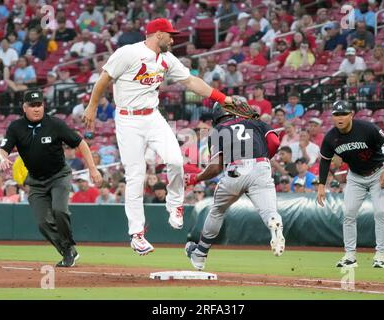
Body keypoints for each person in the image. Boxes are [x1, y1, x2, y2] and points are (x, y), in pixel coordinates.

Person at [83, 18, 234, 256]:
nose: (173, 39)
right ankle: (137, 234)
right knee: (135, 175)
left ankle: (175, 205)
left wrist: (222, 98)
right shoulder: (129, 53)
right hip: (127, 119)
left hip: (152, 116)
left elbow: (191, 81)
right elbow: (104, 79)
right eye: (170, 35)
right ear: (158, 34)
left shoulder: (166, 58)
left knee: (175, 160)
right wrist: (92, 107)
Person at [0, 89, 103, 267]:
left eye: (39, 105)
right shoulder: (15, 127)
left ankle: (68, 246)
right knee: (42, 223)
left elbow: (81, 143)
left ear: (43, 106)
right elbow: (3, 149)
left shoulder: (55, 124)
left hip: (59, 176)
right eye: (32, 105)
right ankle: (67, 251)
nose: (37, 108)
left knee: (59, 210)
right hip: (36, 182)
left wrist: (93, 170)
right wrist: (2, 158)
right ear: (24, 107)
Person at [184, 102, 285, 270]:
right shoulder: (256, 121)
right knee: (269, 211)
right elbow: (274, 142)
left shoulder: (218, 130)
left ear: (216, 117)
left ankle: (200, 253)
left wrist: (197, 178)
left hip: (235, 170)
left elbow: (216, 167)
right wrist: (262, 156)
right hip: (261, 167)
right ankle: (274, 222)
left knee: (217, 211)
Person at [316, 100, 384, 269]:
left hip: (377, 173)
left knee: (380, 212)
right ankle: (350, 256)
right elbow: (324, 161)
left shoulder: (367, 128)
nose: (340, 118)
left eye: (343, 114)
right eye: (336, 115)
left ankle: (380, 255)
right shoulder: (331, 137)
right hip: (355, 177)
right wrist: (321, 185)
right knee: (349, 214)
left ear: (351, 115)